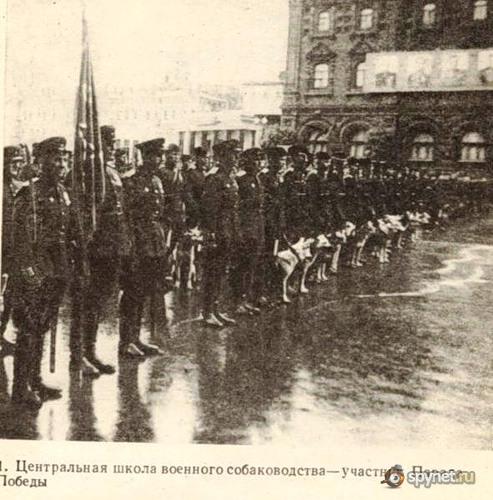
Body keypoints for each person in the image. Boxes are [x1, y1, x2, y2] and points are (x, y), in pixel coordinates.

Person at [11, 137, 74, 408]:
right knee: (29, 328)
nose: (61, 164)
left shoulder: (62, 192)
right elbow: (19, 238)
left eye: (63, 159)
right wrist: (28, 271)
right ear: (43, 161)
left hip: (56, 268)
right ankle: (20, 388)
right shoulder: (30, 194)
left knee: (43, 325)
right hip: (35, 269)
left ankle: (35, 380)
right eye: (56, 159)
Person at [70, 125, 130, 376]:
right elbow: (78, 211)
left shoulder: (111, 171)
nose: (113, 147)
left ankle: (90, 351)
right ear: (96, 143)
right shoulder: (85, 173)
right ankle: (77, 356)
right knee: (85, 302)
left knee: (99, 301)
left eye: (113, 142)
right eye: (108, 142)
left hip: (110, 245)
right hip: (92, 246)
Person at [119, 138, 166, 358]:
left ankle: (136, 338)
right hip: (137, 243)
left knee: (144, 291)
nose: (159, 159)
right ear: (144, 157)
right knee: (132, 291)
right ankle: (126, 341)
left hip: (153, 242)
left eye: (160, 155)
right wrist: (129, 246)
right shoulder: (131, 181)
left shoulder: (156, 180)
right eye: (154, 155)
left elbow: (159, 213)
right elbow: (126, 217)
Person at [201, 140, 241, 327]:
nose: (236, 158)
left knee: (221, 272)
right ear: (222, 157)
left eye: (237, 154)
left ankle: (215, 309)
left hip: (229, 229)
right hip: (218, 231)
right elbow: (209, 210)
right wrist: (211, 233)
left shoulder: (230, 177)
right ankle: (207, 312)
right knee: (212, 272)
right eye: (233, 154)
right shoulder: (214, 178)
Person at [1, 146, 28, 356]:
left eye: (20, 162)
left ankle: (1, 334)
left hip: (13, 250)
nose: (17, 166)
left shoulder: (18, 188)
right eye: (13, 162)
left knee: (9, 295)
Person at [233, 148, 265, 313]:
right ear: (247, 162)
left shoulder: (256, 179)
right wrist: (239, 230)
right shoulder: (241, 179)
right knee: (242, 265)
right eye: (255, 160)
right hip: (246, 227)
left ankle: (247, 298)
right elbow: (236, 207)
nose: (258, 163)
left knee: (253, 264)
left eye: (259, 160)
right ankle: (238, 301)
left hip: (257, 225)